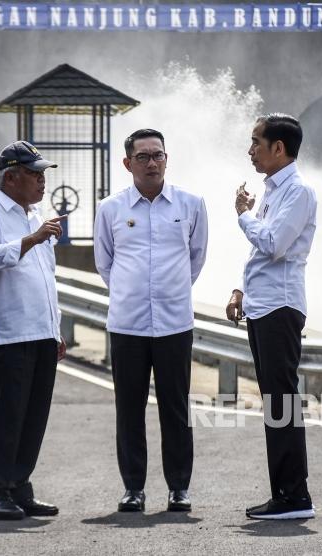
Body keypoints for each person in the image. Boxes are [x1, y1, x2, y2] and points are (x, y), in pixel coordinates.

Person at [94, 128, 208, 512]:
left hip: (175, 323)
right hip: (127, 324)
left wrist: (169, 291)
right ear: (128, 163)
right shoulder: (110, 208)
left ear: (166, 158)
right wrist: (134, 293)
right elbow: (105, 263)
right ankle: (133, 488)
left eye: (158, 155)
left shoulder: (190, 204)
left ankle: (179, 487)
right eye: (142, 157)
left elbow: (196, 258)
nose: (152, 162)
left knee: (175, 407)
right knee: (129, 408)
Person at [0, 140, 66, 520]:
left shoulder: (35, 214)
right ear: (11, 177)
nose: (42, 181)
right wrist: (33, 238)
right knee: (5, 416)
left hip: (40, 331)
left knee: (34, 415)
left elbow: (46, 278)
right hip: (6, 334)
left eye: (43, 174)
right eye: (35, 174)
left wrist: (55, 329)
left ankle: (20, 484)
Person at [225, 114, 317, 520]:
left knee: (282, 403)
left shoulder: (298, 192)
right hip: (263, 305)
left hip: (280, 307)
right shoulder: (273, 192)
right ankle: (285, 493)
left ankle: (295, 497)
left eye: (256, 143)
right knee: (274, 403)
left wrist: (243, 214)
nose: (250, 151)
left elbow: (275, 244)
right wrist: (241, 289)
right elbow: (261, 251)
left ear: (278, 148)